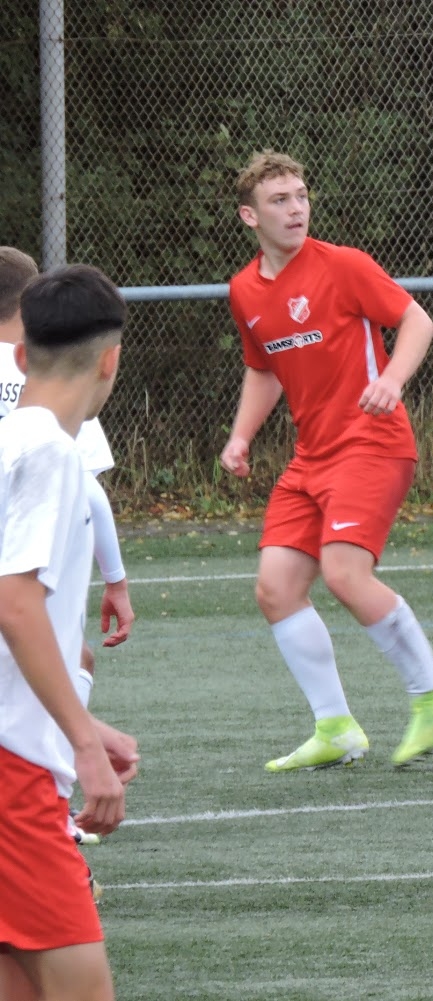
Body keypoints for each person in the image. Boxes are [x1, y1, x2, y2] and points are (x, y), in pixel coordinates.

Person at [219, 150, 433, 771]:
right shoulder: (244, 289)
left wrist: (392, 379)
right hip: (310, 458)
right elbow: (263, 370)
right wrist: (241, 436)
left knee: (344, 574)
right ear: (250, 216)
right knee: (276, 589)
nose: (295, 209)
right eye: (279, 200)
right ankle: (335, 728)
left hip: (372, 443)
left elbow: (416, 321)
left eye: (301, 196)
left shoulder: (343, 265)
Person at [0, 264, 140, 1001]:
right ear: (110, 360)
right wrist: (82, 742)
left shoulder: (8, 442)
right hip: (14, 777)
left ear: (23, 354)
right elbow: (15, 605)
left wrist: (81, 723)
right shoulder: (52, 453)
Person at [0, 248, 136, 666]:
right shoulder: (56, 382)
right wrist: (116, 580)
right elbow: (89, 493)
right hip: (30, 584)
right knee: (74, 659)